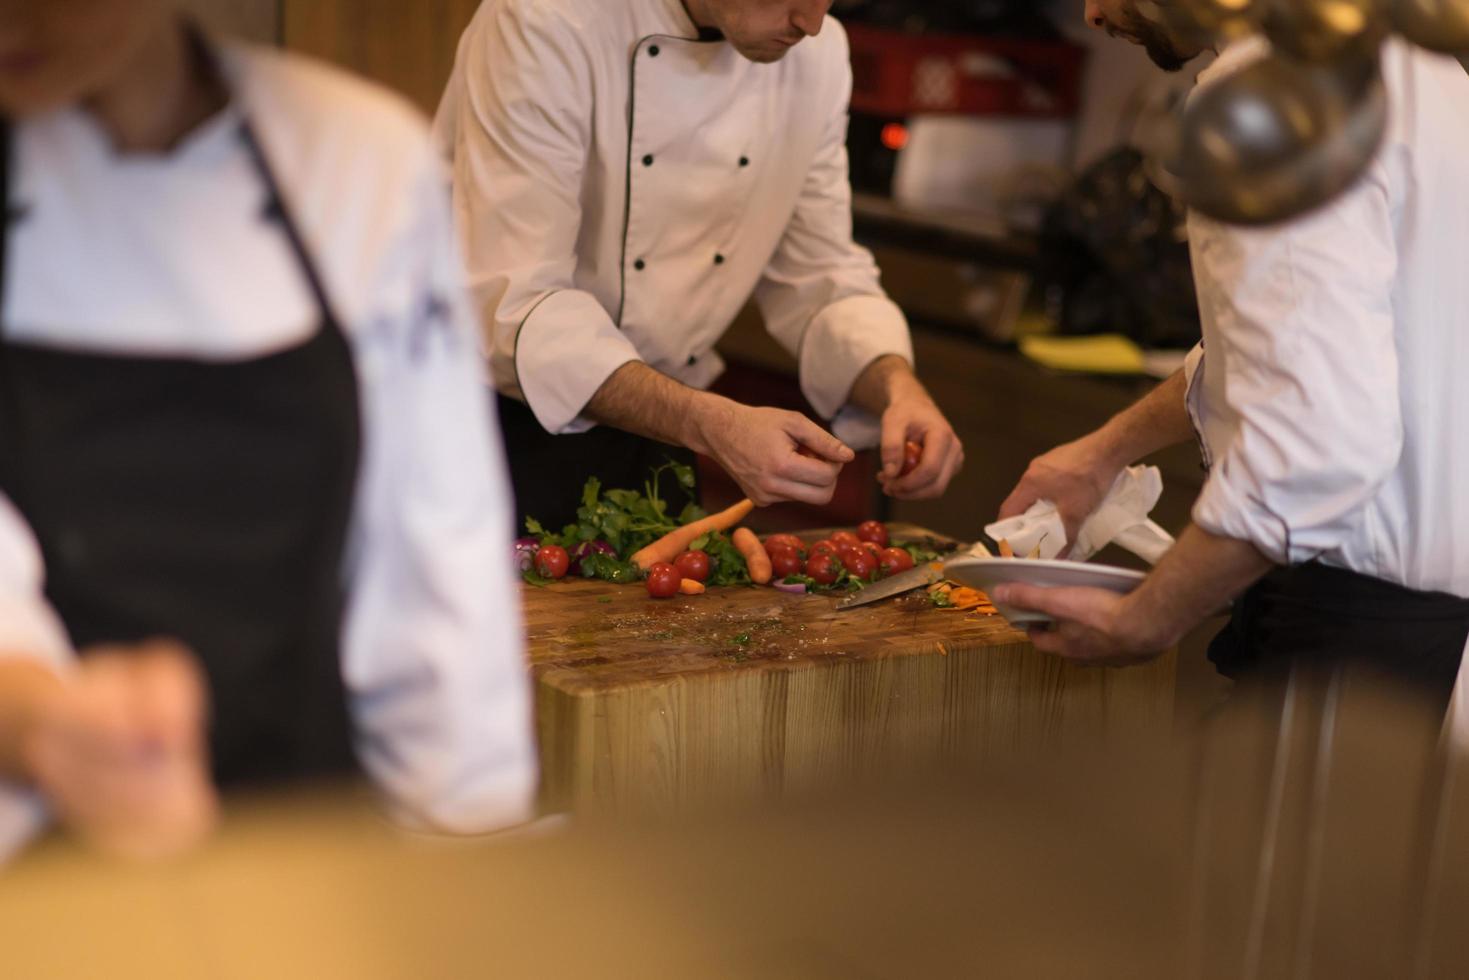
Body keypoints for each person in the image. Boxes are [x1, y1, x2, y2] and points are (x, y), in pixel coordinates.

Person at [0, 0, 536, 860]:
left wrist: (461, 863)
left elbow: (434, 566)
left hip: (315, 851)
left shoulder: (356, 160)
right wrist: (39, 721)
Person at [990, 2, 1469, 708]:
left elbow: (1318, 437)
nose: (1092, 13)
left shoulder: (1260, 100)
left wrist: (1143, 620)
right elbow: (1311, 351)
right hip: (1425, 629)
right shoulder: (1415, 63)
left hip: (1350, 635)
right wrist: (1103, 451)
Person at [434, 0, 964, 529]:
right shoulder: (545, 23)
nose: (812, 23)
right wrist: (709, 422)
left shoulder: (818, 57)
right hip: (491, 434)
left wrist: (897, 388)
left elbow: (820, 276)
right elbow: (516, 302)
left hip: (664, 432)